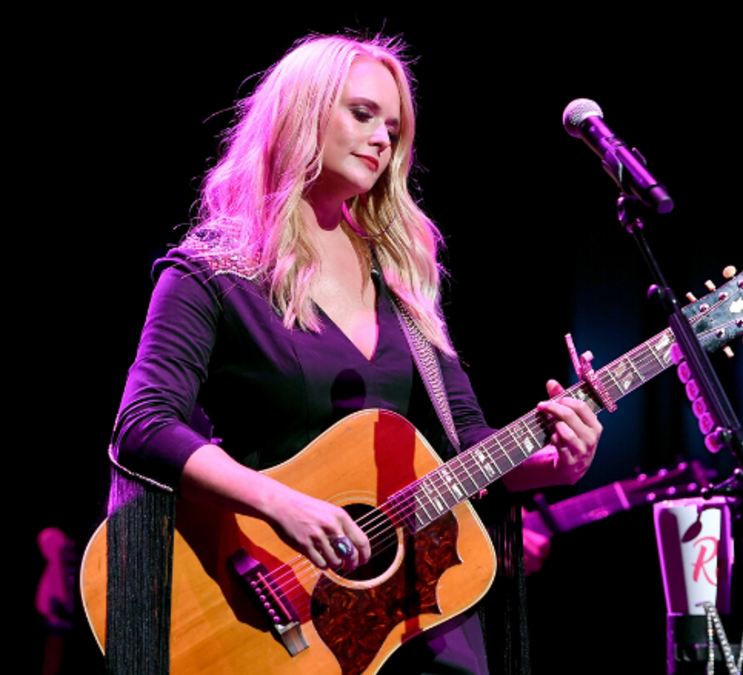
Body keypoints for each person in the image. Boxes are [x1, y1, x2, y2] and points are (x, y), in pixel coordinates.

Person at [107, 33, 601, 675]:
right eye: (363, 114)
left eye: (393, 130)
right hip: (269, 602)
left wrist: (552, 465)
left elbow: (468, 443)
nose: (381, 141)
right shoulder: (210, 275)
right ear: (302, 114)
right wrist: (281, 504)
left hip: (416, 612)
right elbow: (144, 427)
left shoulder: (400, 277)